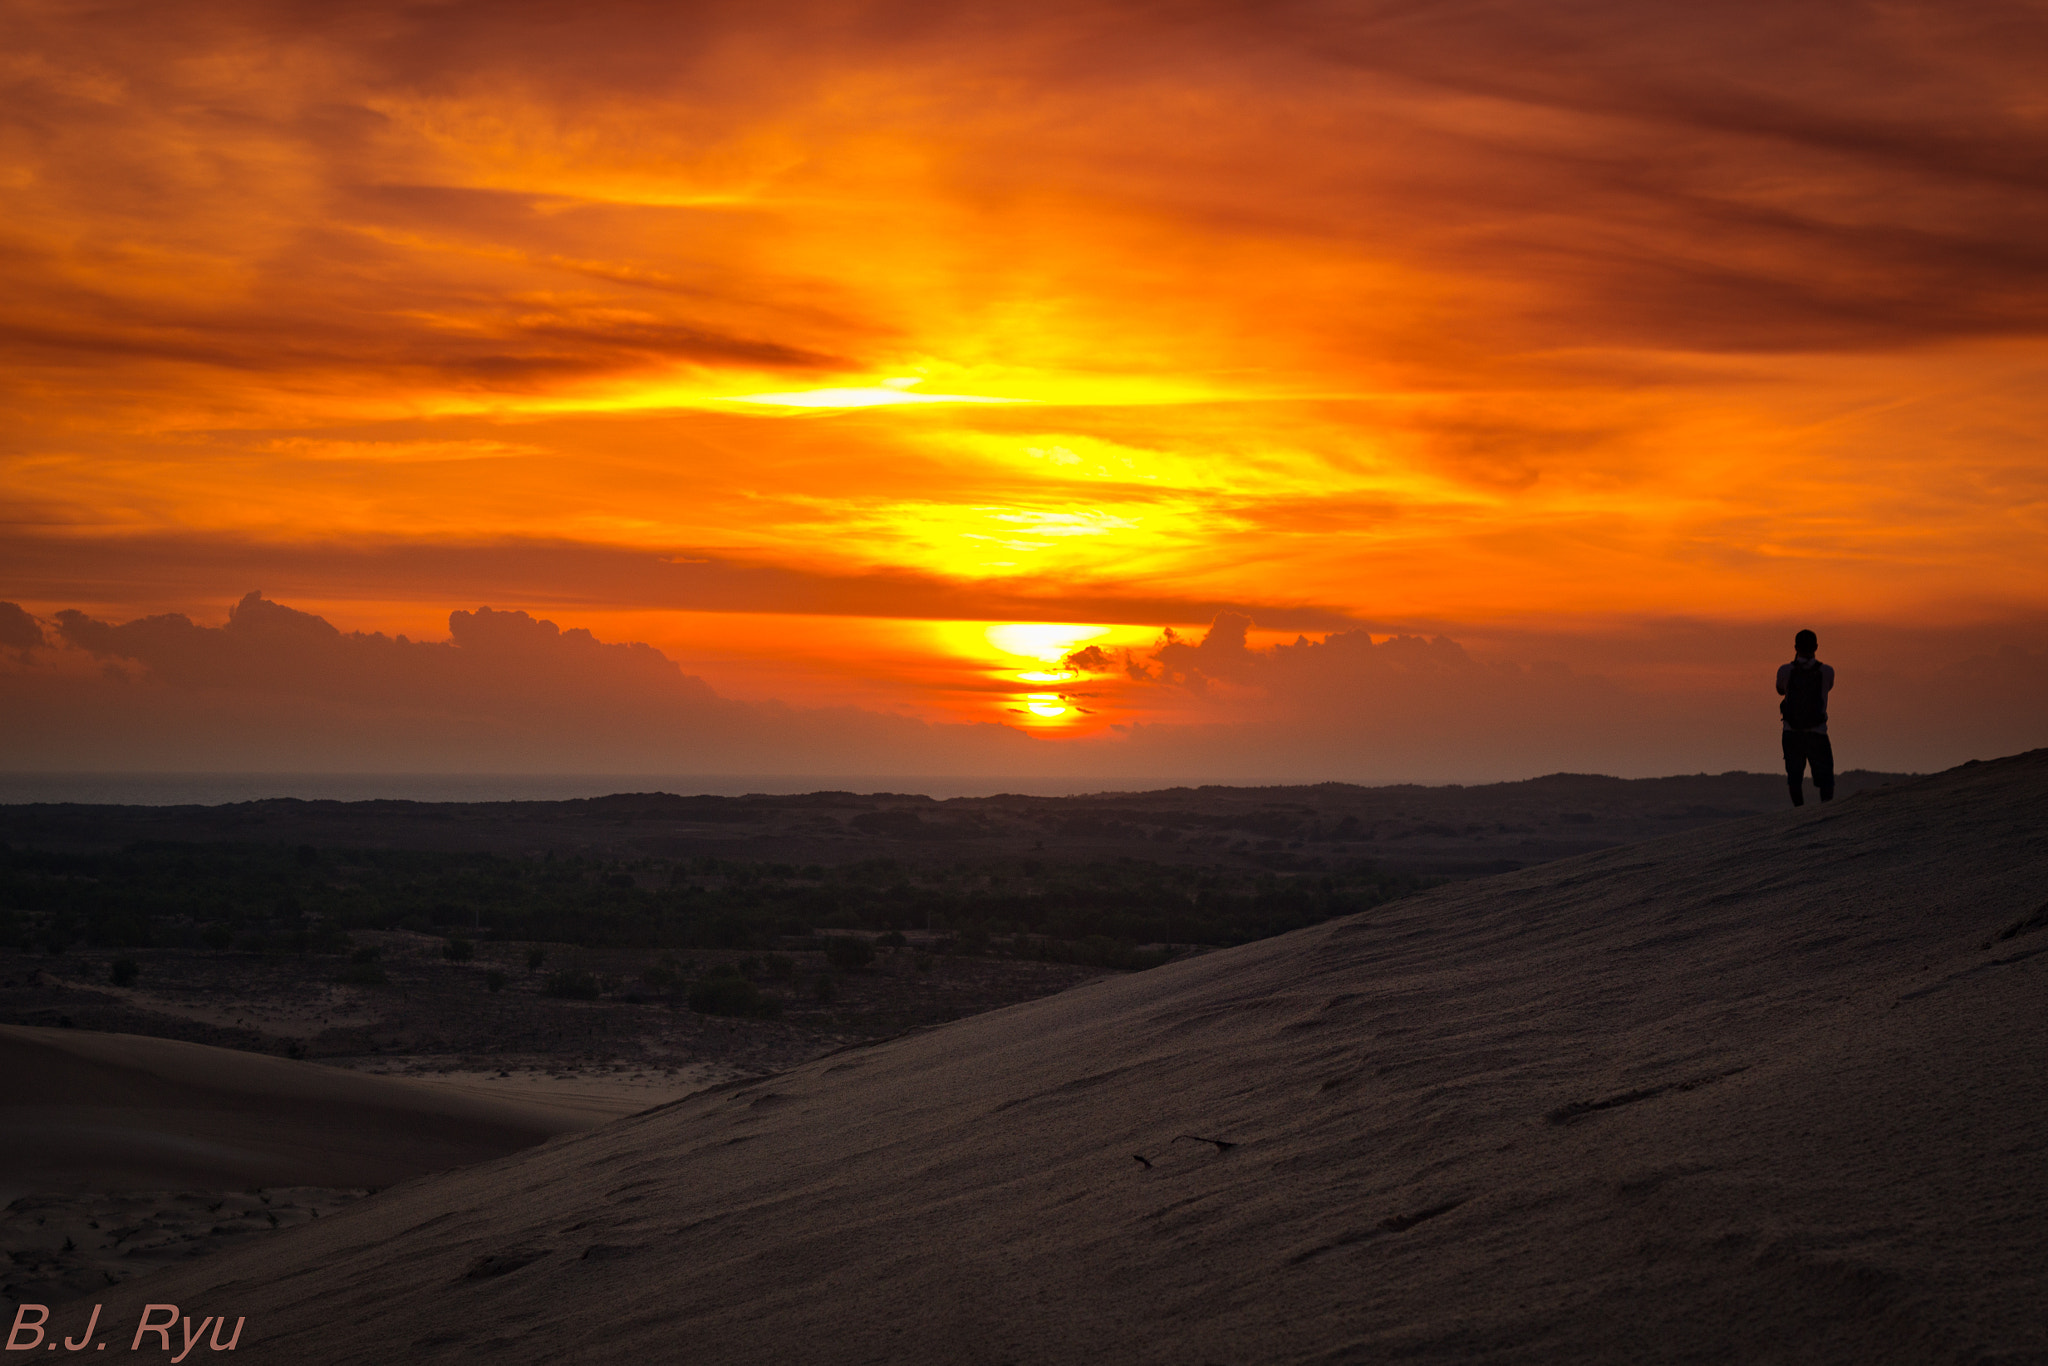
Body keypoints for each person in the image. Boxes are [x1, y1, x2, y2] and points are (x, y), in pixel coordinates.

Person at [1776, 629, 1835, 806]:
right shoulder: (1827, 671)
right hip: (1817, 732)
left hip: (1792, 732)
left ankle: (1799, 811)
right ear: (1816, 647)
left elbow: (1780, 690)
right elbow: (1828, 689)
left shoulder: (1785, 670)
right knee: (1825, 777)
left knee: (1794, 777)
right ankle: (1826, 810)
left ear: (1795, 647)